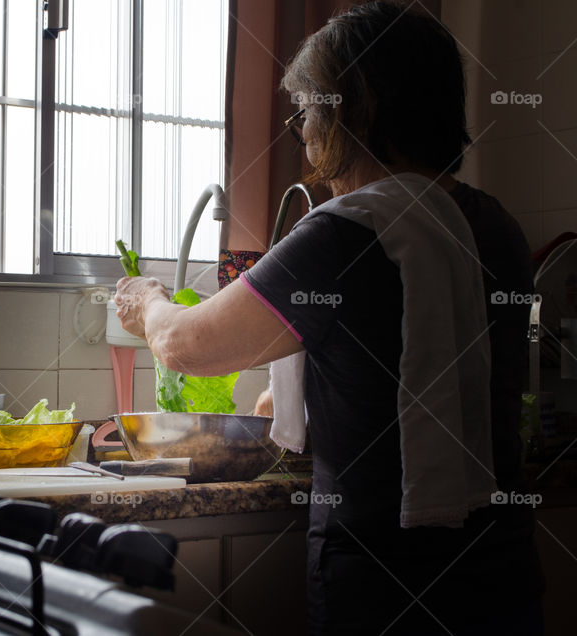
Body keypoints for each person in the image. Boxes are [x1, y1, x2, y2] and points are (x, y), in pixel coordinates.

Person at [114, 2, 543, 634]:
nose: (304, 133)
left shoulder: (345, 232)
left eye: (309, 109)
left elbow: (186, 344)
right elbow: (394, 365)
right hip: (498, 560)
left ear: (356, 108)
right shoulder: (496, 226)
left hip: (382, 567)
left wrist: (146, 300)